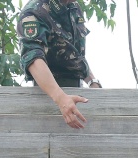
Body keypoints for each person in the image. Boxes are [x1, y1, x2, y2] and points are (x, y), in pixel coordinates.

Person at [18, 0, 101, 129]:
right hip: (49, 98)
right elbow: (32, 58)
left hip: (75, 96)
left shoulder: (73, 7)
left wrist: (93, 83)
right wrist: (61, 99)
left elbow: (75, 55)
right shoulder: (35, 10)